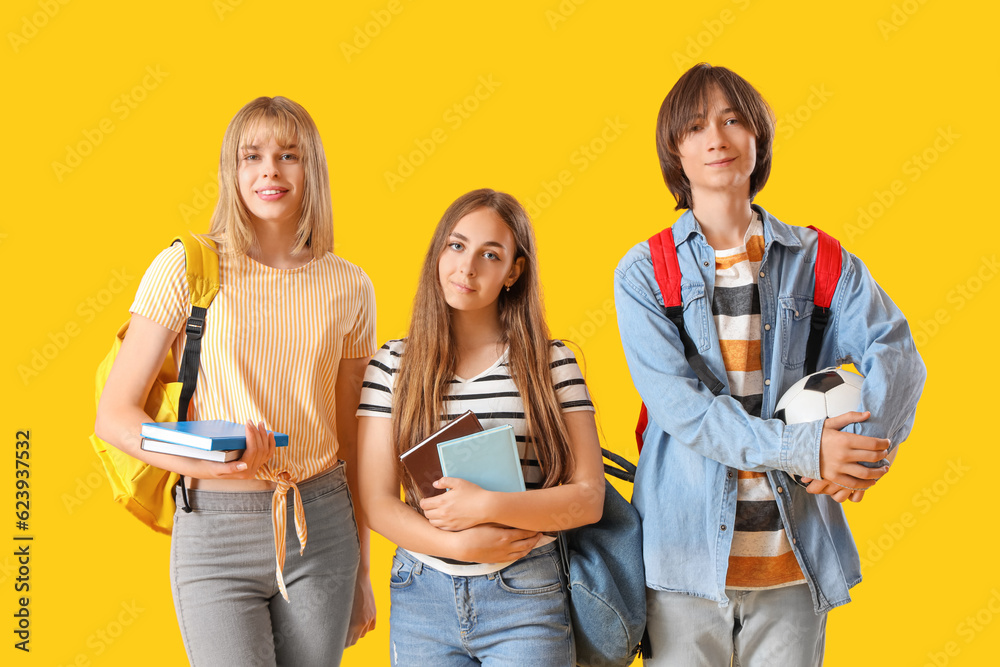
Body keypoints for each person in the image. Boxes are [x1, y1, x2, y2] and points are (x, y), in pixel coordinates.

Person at [613, 64, 926, 665]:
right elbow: (685, 410)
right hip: (684, 563)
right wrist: (806, 449)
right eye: (697, 125)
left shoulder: (819, 259)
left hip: (793, 557)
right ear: (674, 152)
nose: (717, 137)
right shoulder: (646, 273)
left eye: (733, 120)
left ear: (758, 140)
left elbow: (896, 352)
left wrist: (860, 452)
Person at [94, 96, 377, 666]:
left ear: (311, 169)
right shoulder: (187, 267)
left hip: (319, 529)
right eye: (252, 155)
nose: (270, 170)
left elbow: (353, 440)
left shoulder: (350, 286)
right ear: (233, 169)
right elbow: (115, 417)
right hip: (214, 530)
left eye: (288, 155)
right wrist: (205, 462)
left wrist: (364, 570)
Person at [357, 188, 605, 666]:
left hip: (526, 591)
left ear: (513, 271)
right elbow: (377, 502)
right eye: (456, 246)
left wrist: (488, 505)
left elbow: (589, 497)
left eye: (490, 255)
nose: (466, 268)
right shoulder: (392, 364)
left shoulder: (553, 363)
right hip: (421, 595)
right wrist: (457, 544)